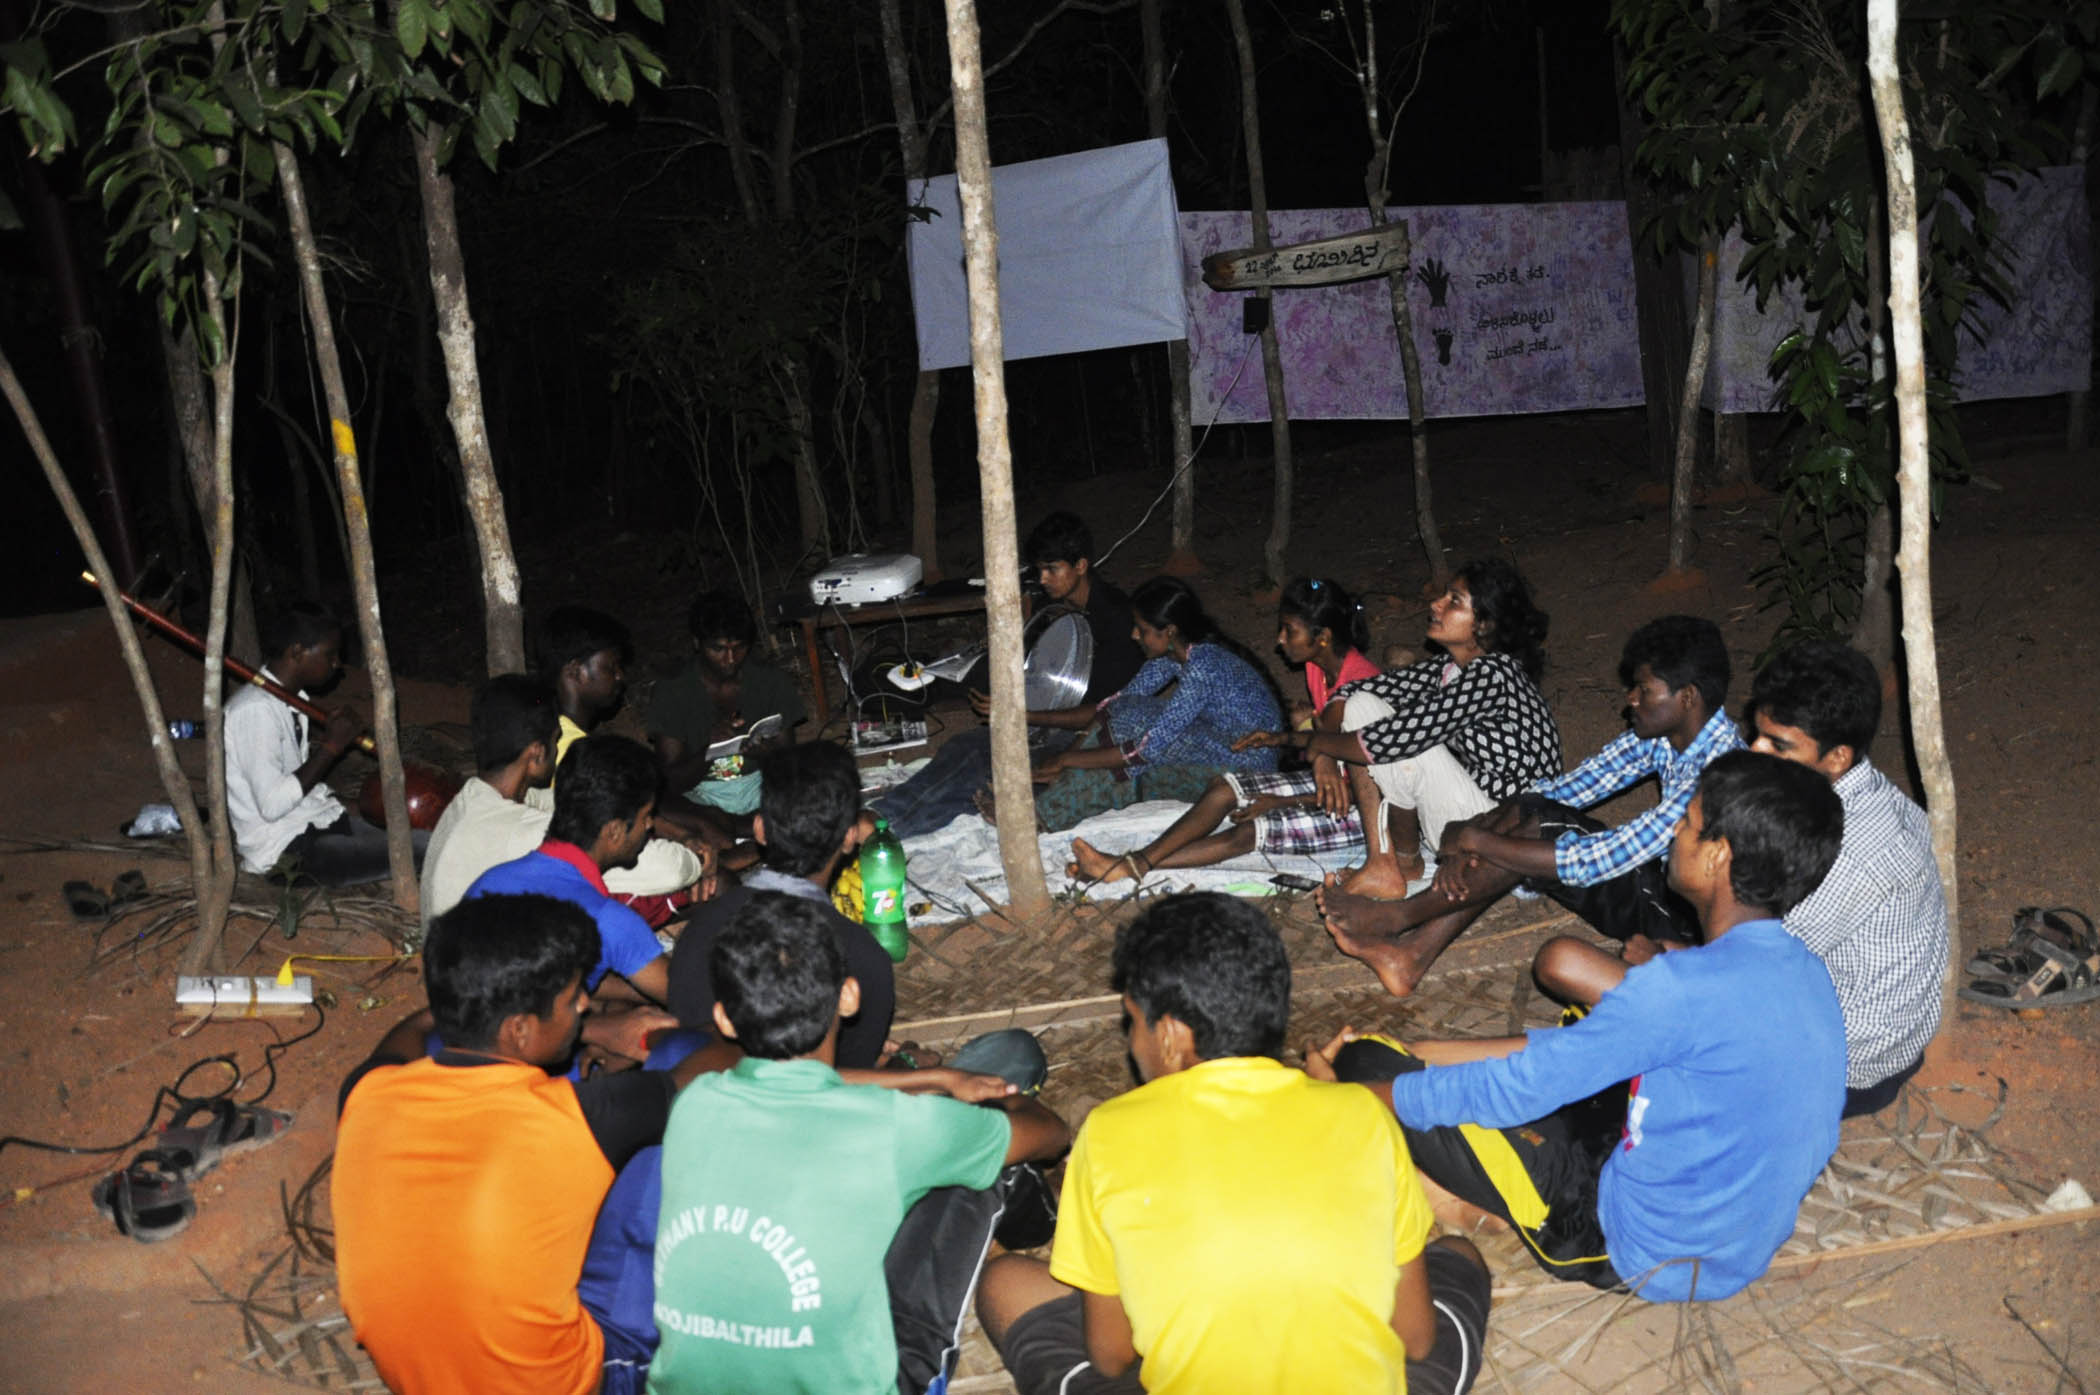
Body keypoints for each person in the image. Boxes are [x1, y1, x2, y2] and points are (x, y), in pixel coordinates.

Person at [1312, 751, 1847, 1302]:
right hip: (1736, 1246)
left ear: (1717, 856)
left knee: (1363, 1062)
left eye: (1685, 823)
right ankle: (1430, 1103)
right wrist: (1430, 1052)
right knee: (1579, 1044)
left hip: (1631, 1241)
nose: (1672, 835)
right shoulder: (1807, 974)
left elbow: (1519, 1089)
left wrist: (1355, 1095)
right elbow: (1589, 1052)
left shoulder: (1679, 989)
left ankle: (1469, 1197)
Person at [977, 892, 1491, 1395]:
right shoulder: (1362, 1115)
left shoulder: (1109, 1133)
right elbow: (1418, 1340)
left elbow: (1111, 1356)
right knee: (1458, 1256)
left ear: (1173, 1035)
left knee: (1006, 1285)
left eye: (1132, 1022)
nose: (1131, 1040)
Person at [646, 892, 1072, 1395]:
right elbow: (1053, 1135)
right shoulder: (893, 1127)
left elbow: (787, 1087)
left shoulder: (695, 1104)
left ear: (725, 1019)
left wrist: (928, 1077)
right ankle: (1035, 1220)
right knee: (982, 1170)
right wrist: (994, 1099)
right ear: (849, 996)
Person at [332, 893, 699, 1395]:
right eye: (573, 1000)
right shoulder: (579, 1117)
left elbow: (411, 1030)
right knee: (680, 1099)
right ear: (520, 1029)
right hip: (563, 1383)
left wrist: (588, 1029)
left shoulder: (365, 1094)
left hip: (417, 1380)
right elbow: (708, 1065)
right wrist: (637, 1037)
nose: (585, 1004)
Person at [1319, 615, 1741, 998]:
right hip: (1661, 886)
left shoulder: (1719, 774)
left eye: (1644, 690)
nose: (1630, 699)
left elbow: (1596, 858)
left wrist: (1479, 841)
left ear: (1687, 698)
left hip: (1693, 928)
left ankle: (1399, 919)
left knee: (1546, 834)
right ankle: (1409, 957)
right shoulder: (1666, 737)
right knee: (1538, 813)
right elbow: (1564, 789)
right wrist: (1477, 830)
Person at [1069, 565, 1558, 888]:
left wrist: (1307, 746)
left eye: (1455, 601)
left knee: (1370, 730)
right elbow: (1350, 703)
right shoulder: (1445, 670)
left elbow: (1386, 740)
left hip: (1501, 829)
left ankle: (1388, 862)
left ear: (1486, 626)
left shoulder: (1492, 674)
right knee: (1354, 714)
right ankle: (1135, 863)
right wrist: (1321, 750)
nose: (1436, 604)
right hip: (1454, 816)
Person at [1743, 641, 1946, 1115]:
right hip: (1880, 1031)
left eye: (1778, 744)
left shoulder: (1851, 852)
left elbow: (1754, 962)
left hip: (1851, 1067)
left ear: (1836, 757)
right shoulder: (1870, 794)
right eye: (1759, 735)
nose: (1755, 750)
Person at [870, 511, 1144, 838]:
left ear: (1081, 566)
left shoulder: (1117, 621)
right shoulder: (1053, 605)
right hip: (1045, 723)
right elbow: (1035, 672)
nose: (1042, 579)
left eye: (1052, 569)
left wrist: (1019, 716)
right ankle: (882, 824)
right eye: (1039, 569)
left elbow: (1105, 714)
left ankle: (881, 823)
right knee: (968, 764)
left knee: (972, 756)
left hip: (1090, 741)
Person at [666, 741, 897, 1070]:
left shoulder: (699, 934)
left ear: (759, 830)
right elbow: (847, 1073)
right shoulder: (861, 955)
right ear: (850, 837)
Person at [419, 675, 709, 932]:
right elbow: (668, 869)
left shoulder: (473, 801)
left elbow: (556, 802)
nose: (558, 749)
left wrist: (679, 834)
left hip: (462, 960)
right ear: (535, 754)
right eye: (555, 741)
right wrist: (697, 861)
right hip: (487, 982)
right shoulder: (518, 833)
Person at [1025, 577, 1283, 833]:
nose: (1134, 635)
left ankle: (1041, 813)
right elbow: (1112, 706)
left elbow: (1144, 750)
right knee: (1128, 740)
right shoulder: (1174, 657)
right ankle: (1045, 809)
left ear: (1169, 631)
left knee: (1136, 735)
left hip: (1245, 769)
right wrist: (1034, 722)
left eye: (1142, 628)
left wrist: (1067, 758)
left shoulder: (1203, 666)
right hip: (1220, 748)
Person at [224, 600, 424, 884]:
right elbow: (272, 804)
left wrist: (358, 808)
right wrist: (331, 747)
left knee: (416, 834)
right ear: (296, 652)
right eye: (330, 654)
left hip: (314, 824)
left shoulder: (292, 702)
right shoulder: (253, 710)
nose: (337, 664)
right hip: (285, 853)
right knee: (420, 848)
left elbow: (300, 786)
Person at [465, 734, 671, 1007]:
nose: (650, 826)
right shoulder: (610, 921)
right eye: (646, 816)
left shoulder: (488, 882)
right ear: (615, 832)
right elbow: (690, 999)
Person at [649, 589, 807, 833]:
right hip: (701, 796)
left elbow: (790, 766)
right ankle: (748, 830)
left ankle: (735, 830)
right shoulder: (673, 691)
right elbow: (672, 781)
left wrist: (764, 753)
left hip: (760, 788)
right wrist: (709, 751)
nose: (730, 658)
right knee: (656, 805)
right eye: (718, 649)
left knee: (814, 786)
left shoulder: (770, 682)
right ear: (697, 644)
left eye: (739, 647)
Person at [531, 605, 631, 794]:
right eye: (611, 667)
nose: (620, 676)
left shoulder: (545, 730)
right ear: (575, 671)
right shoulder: (574, 752)